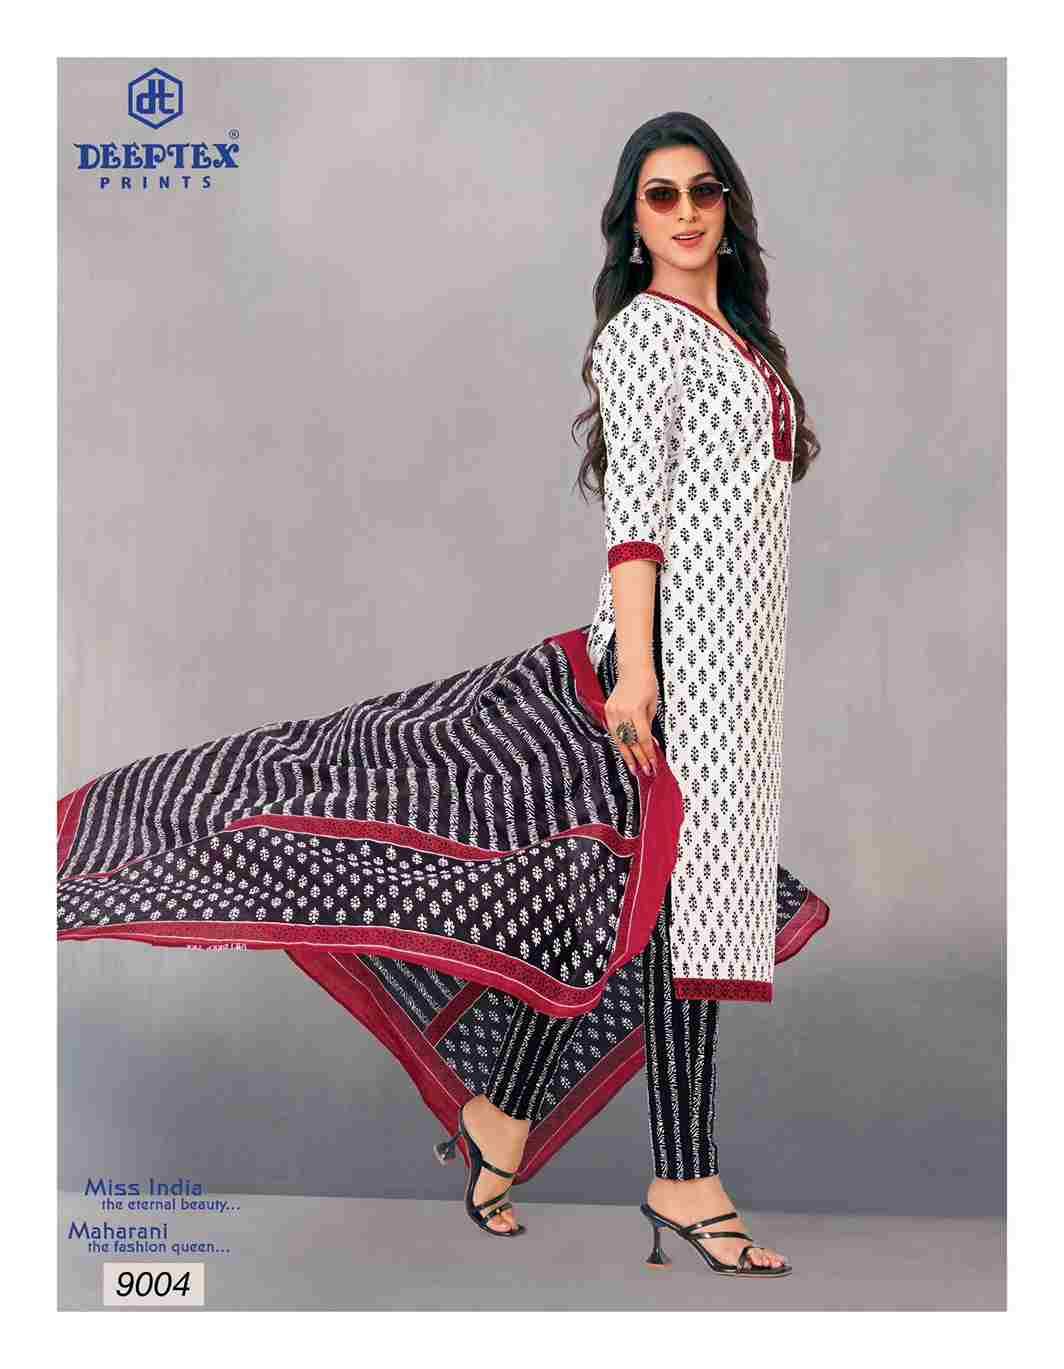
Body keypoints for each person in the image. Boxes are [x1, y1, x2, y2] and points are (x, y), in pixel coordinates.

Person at [57, 111, 828, 1281]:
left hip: (736, 673)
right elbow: (634, 522)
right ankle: (683, 1178)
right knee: (672, 913)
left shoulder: (741, 340)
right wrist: (637, 671)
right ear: (630, 224)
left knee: (618, 905)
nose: (683, 213)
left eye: (702, 190)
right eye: (659, 196)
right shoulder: (643, 335)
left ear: (729, 207)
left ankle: (500, 1121)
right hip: (668, 662)